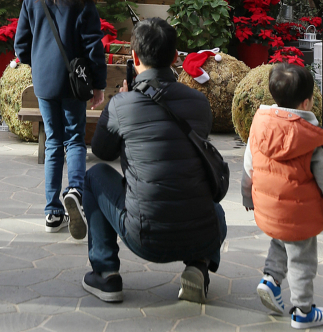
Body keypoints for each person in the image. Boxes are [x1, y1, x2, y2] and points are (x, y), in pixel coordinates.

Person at [82, 17, 226, 303]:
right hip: (201, 233)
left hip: (145, 237)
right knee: (213, 210)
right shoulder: (199, 103)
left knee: (95, 176)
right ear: (175, 57)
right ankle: (198, 265)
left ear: (134, 57)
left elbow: (102, 151)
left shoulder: (122, 104)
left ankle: (106, 273)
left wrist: (120, 107)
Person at [14, 0, 107, 234]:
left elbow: (20, 47)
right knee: (76, 140)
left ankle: (52, 211)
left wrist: (41, 64)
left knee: (53, 142)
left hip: (44, 83)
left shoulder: (32, 0)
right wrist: (99, 85)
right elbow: (94, 47)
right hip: (74, 83)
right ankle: (76, 192)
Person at [243, 63, 323, 329]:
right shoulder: (311, 139)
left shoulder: (259, 125)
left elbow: (248, 165)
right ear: (308, 102)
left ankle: (271, 280)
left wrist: (248, 196)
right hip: (299, 214)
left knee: (280, 240)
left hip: (269, 208)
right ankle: (302, 311)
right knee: (302, 260)